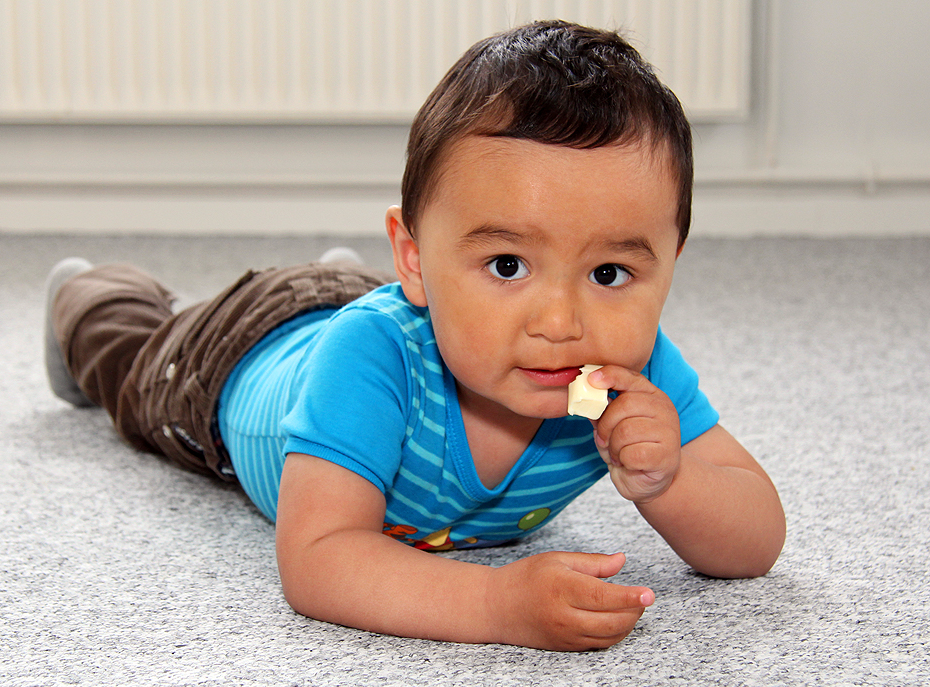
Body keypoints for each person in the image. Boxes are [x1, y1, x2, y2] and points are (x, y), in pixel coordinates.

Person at [44, 21, 785, 651]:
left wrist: (674, 482)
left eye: (611, 273)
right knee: (136, 355)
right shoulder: (371, 360)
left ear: (670, 266)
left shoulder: (632, 372)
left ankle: (358, 280)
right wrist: (496, 605)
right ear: (415, 258)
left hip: (391, 302)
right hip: (236, 358)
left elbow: (758, 536)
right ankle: (87, 293)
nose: (561, 323)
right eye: (508, 263)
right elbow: (319, 559)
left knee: (377, 305)